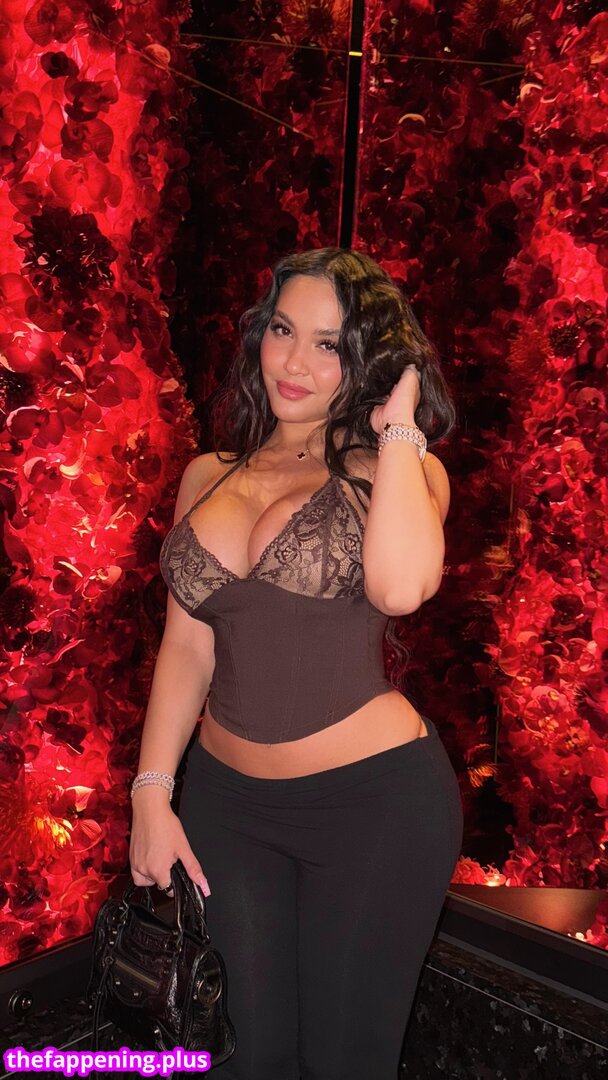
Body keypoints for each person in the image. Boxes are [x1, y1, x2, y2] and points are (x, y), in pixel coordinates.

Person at [129, 247, 464, 1080]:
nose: (295, 363)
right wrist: (150, 793)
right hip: (226, 808)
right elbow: (187, 645)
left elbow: (401, 587)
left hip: (373, 809)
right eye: (283, 331)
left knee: (347, 1062)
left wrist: (398, 424)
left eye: (329, 345)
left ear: (368, 360)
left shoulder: (398, 470)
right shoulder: (208, 475)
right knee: (251, 1058)